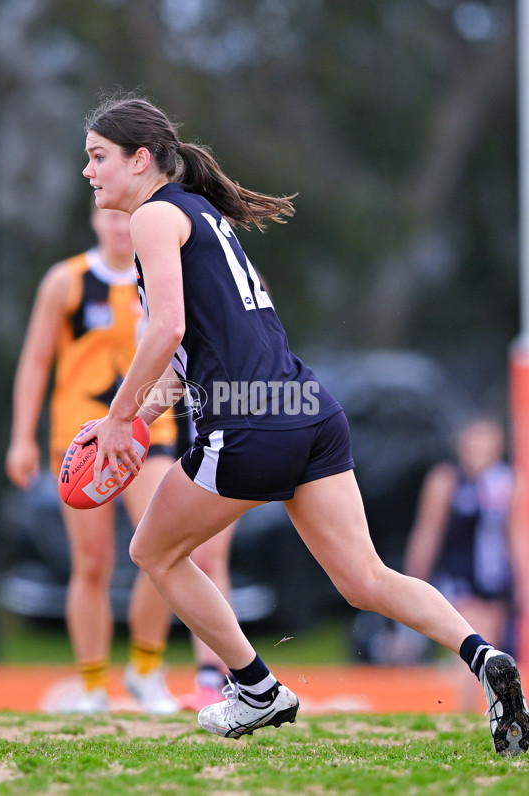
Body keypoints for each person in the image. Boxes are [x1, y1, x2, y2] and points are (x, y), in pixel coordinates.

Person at [78, 92, 529, 755]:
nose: (88, 172)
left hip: (252, 423)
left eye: (97, 157)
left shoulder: (153, 217)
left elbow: (168, 326)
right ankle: (483, 653)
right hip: (305, 408)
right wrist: (136, 420)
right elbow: (185, 359)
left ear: (140, 159)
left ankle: (256, 689)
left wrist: (116, 418)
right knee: (366, 579)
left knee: (151, 551)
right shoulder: (198, 215)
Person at [5, 204, 232, 714]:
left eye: (123, 218)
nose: (115, 226)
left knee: (162, 550)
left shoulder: (162, 277)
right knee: (91, 564)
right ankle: (91, 685)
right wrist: (22, 437)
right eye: (106, 217)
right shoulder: (66, 282)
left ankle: (146, 671)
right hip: (80, 440)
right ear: (92, 221)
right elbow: (36, 361)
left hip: (148, 435)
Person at [404, 416, 517, 709]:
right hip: (460, 575)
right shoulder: (447, 479)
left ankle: (485, 711)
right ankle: (466, 712)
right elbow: (428, 531)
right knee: (477, 641)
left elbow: (516, 537)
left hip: (496, 578)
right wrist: (413, 577)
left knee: (493, 645)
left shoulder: (506, 482)